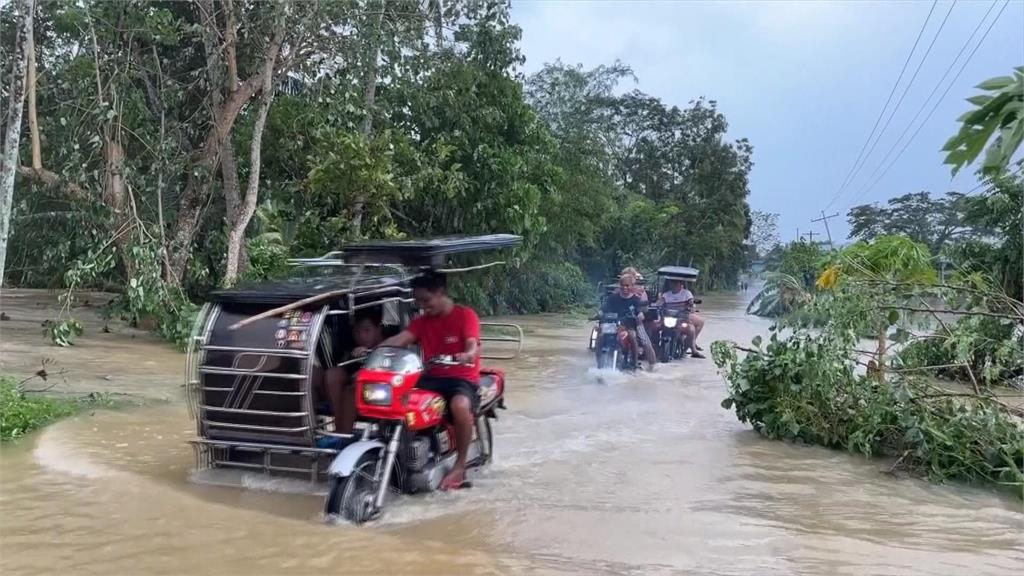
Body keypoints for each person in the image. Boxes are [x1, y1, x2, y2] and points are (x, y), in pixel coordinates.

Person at [378, 271, 481, 490]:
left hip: (461, 378)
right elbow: (401, 339)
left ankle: (459, 466)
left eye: (426, 300)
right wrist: (375, 351)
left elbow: (472, 344)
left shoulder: (465, 315)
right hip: (431, 377)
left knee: (460, 405)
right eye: (418, 301)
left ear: (440, 292)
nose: (423, 306)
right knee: (393, 398)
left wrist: (468, 354)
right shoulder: (421, 322)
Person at [316, 308, 384, 434]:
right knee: (332, 375)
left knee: (351, 391)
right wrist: (353, 357)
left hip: (378, 391)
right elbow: (345, 368)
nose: (362, 336)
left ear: (378, 329)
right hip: (351, 384)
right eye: (357, 332)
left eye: (367, 330)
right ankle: (339, 428)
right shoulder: (354, 347)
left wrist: (371, 359)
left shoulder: (389, 344)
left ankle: (343, 432)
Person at [603, 273, 657, 371]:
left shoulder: (636, 299)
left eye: (627, 285)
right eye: (622, 285)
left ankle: (640, 363)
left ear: (632, 286)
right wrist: (600, 314)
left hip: (633, 325)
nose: (625, 288)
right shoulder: (612, 298)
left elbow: (640, 311)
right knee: (600, 336)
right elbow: (605, 309)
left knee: (643, 341)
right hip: (615, 324)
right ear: (619, 286)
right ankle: (600, 363)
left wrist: (640, 315)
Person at [657, 279, 706, 357]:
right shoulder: (665, 295)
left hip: (682, 319)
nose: (674, 284)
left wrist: (691, 304)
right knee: (654, 327)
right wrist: (657, 304)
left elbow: (691, 303)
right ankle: (655, 348)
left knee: (691, 330)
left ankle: (685, 350)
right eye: (673, 282)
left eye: (676, 282)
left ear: (681, 283)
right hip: (668, 319)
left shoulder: (687, 293)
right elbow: (659, 303)